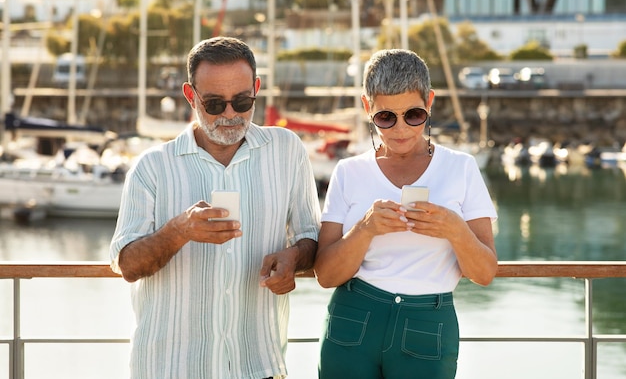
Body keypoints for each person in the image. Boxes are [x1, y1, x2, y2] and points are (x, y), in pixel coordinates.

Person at [109, 36, 321, 379]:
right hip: (170, 369)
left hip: (259, 366)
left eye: (242, 101)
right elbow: (128, 266)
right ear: (191, 96)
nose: (231, 114)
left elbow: (311, 236)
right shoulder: (152, 167)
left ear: (256, 89)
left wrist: (294, 258)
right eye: (214, 104)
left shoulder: (287, 151)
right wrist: (178, 232)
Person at [314, 49, 498, 379]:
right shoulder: (348, 171)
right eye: (386, 117)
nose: (400, 129)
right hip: (353, 318)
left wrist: (454, 229)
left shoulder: (461, 167)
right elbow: (326, 275)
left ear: (429, 102)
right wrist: (364, 230)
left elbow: (484, 273)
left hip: (427, 324)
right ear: (367, 107)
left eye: (413, 114)